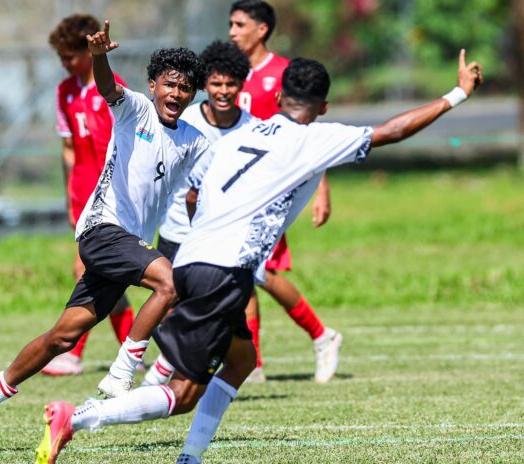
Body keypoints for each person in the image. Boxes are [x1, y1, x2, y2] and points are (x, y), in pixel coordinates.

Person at [34, 50, 483, 464]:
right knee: (183, 392)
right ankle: (75, 418)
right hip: (222, 271)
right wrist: (458, 93)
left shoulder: (244, 135)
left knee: (242, 362)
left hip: (192, 257)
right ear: (322, 108)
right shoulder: (313, 138)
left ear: (281, 95)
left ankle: (190, 456)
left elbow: (195, 197)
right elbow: (393, 130)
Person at [0, 20, 209, 448]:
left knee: (63, 336)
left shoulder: (194, 141)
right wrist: (98, 56)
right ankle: (122, 372)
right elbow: (109, 87)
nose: (176, 94)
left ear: (192, 95)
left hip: (128, 245)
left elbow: (203, 191)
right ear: (152, 86)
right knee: (168, 283)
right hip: (101, 229)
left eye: (185, 88)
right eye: (169, 85)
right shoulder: (134, 108)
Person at [230, 0, 340, 383]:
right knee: (245, 272)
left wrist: (321, 187)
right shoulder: (230, 72)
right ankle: (253, 363)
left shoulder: (283, 74)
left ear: (261, 29)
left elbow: (308, 134)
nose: (232, 31)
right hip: (239, 188)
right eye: (230, 23)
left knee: (263, 272)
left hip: (275, 189)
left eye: (239, 24)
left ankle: (321, 335)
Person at [143, 40, 255, 386]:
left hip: (223, 237)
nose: (223, 91)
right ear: (206, 85)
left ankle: (169, 368)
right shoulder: (186, 118)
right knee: (170, 298)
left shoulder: (252, 128)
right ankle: (157, 365)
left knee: (222, 303)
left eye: (230, 84)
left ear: (241, 85)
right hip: (178, 230)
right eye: (216, 83)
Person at [43, 14, 135, 377]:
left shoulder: (111, 87)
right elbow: (68, 149)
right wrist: (71, 197)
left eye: (70, 56)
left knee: (89, 267)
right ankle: (132, 349)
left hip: (112, 190)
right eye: (61, 58)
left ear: (89, 50)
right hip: (83, 192)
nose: (65, 64)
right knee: (100, 272)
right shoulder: (64, 92)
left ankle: (73, 350)